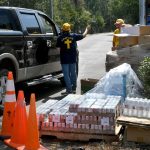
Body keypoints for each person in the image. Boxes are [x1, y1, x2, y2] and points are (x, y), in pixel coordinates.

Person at [56, 23, 90, 95]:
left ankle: (69, 90)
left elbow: (58, 49)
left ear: (62, 29)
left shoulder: (59, 38)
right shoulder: (74, 36)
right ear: (69, 29)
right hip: (72, 58)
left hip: (64, 59)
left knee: (66, 75)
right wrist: (87, 29)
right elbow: (84, 35)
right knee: (73, 73)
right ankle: (74, 88)